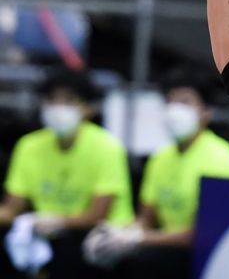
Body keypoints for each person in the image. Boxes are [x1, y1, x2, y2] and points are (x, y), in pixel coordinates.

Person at [83, 68, 229, 278]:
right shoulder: (160, 157)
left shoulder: (223, 160)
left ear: (206, 112)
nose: (174, 109)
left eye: (185, 102)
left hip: (205, 257)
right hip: (165, 249)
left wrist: (140, 239)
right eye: (170, 101)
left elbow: (206, 235)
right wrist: (118, 233)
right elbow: (146, 218)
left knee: (148, 262)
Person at [0, 68, 134, 277]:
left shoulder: (107, 146)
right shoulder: (28, 146)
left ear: (87, 108)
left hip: (100, 236)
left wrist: (57, 221)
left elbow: (97, 215)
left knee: (71, 247)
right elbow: (11, 209)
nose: (58, 108)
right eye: (52, 100)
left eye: (69, 101)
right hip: (45, 233)